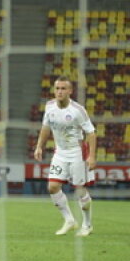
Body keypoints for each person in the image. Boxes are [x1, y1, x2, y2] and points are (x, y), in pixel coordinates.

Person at [33, 77, 96, 237]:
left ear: (70, 91)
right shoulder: (49, 106)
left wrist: (92, 157)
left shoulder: (78, 110)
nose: (59, 91)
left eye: (63, 88)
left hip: (77, 153)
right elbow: (45, 127)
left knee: (80, 190)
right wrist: (39, 146)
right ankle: (69, 220)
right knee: (53, 187)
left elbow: (91, 133)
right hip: (60, 153)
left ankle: (87, 224)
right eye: (57, 88)